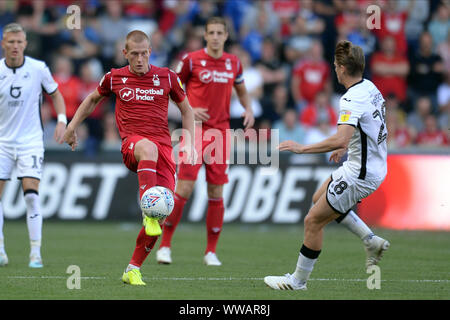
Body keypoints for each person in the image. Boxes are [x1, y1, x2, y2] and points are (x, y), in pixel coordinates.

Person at [63, 30, 195, 285]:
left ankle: (132, 268)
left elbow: (186, 110)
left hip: (164, 151)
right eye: (134, 54)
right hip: (133, 146)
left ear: (150, 52)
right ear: (125, 54)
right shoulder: (114, 77)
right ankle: (148, 211)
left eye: (144, 53)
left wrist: (189, 142)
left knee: (164, 208)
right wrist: (71, 126)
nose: (139, 59)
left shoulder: (167, 77)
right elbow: (91, 100)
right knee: (148, 149)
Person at [264, 40, 390, 290]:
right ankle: (370, 240)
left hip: (360, 174)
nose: (333, 69)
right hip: (368, 163)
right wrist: (347, 145)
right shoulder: (370, 87)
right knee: (317, 198)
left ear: (343, 68)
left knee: (312, 221)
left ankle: (297, 281)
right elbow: (368, 127)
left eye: (335, 65)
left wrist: (303, 148)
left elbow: (342, 135)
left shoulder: (350, 98)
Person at [156, 17, 254, 266]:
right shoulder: (191, 59)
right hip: (194, 131)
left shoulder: (234, 63)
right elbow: (172, 86)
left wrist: (248, 109)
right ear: (205, 35)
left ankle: (211, 251)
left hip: (220, 133)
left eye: (220, 32)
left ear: (226, 35)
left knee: (216, 190)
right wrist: (187, 108)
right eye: (211, 32)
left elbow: (241, 89)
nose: (215, 37)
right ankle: (165, 246)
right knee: (184, 189)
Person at [0, 23, 67, 268]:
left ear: (25, 44)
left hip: (30, 142)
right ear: (3, 44)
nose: (15, 46)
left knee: (31, 195)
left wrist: (62, 121)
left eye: (19, 42)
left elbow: (56, 94)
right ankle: (0, 249)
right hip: (2, 143)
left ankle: (35, 253)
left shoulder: (38, 68)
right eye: (11, 42)